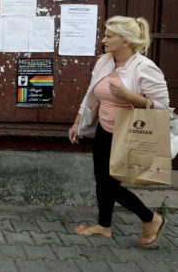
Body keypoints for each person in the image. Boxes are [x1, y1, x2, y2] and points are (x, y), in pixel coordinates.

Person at [69, 16, 168, 245]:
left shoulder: (145, 68)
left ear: (125, 41)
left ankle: (151, 218)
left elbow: (163, 108)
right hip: (105, 131)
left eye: (109, 36)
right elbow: (90, 94)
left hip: (129, 135)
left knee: (109, 184)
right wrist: (77, 123)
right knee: (102, 179)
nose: (103, 40)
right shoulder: (105, 62)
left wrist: (128, 96)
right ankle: (104, 226)